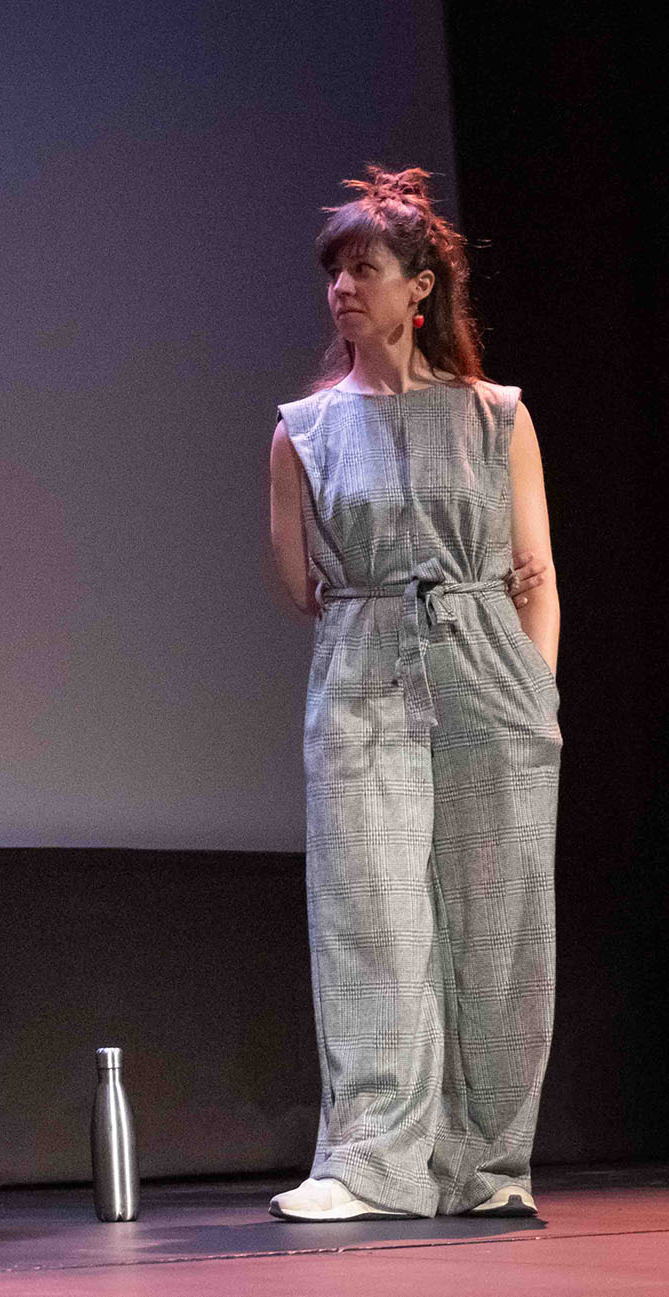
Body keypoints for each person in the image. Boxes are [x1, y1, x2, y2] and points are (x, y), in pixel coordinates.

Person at [267, 167, 561, 1222]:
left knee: (497, 920)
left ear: (420, 288)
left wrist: (538, 695)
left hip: (489, 668)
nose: (343, 286)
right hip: (362, 660)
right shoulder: (302, 428)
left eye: (365, 268)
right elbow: (302, 584)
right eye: (335, 270)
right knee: (370, 913)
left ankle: (487, 1164)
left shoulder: (495, 416)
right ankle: (369, 1163)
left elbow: (538, 572)